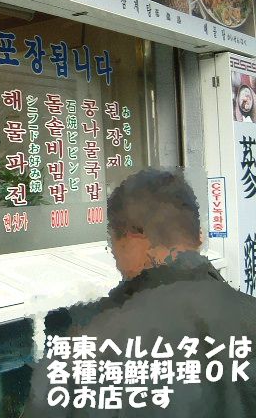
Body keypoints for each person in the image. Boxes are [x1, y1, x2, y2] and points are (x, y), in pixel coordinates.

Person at [22, 168, 256, 417]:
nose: (114, 256)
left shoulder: (88, 343)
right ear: (198, 237)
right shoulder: (249, 315)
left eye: (112, 242)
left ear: (131, 239)